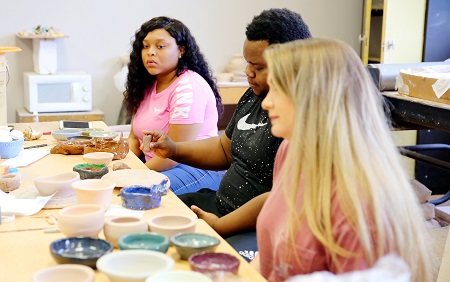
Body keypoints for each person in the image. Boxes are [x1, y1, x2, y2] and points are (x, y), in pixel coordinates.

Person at [255, 38, 433, 282]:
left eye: (277, 89)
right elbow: (271, 257)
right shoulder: (290, 149)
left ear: (313, 96)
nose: (266, 102)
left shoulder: (360, 200)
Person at [142, 8, 312, 261]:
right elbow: (224, 149)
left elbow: (284, 197)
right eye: (248, 63)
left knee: (218, 264)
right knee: (149, 218)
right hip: (220, 205)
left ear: (292, 63)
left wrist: (222, 225)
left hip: (254, 225)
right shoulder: (254, 96)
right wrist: (175, 149)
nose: (248, 73)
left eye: (259, 66)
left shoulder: (302, 115)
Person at [124, 16, 225, 195]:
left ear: (181, 50)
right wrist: (127, 164)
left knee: (139, 194)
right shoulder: (146, 84)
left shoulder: (188, 87)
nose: (150, 52)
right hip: (155, 166)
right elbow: (133, 137)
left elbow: (173, 155)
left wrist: (135, 174)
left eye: (160, 46)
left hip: (192, 168)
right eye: (146, 46)